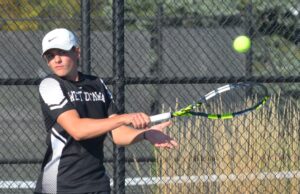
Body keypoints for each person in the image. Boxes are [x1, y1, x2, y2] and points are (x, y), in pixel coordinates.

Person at [34, 28, 177, 194]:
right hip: (58, 186)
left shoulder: (97, 84)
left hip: (97, 184)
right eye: (50, 56)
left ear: (77, 52)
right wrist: (124, 118)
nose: (56, 60)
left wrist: (145, 134)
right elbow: (77, 129)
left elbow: (118, 134)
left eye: (62, 52)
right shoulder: (50, 85)